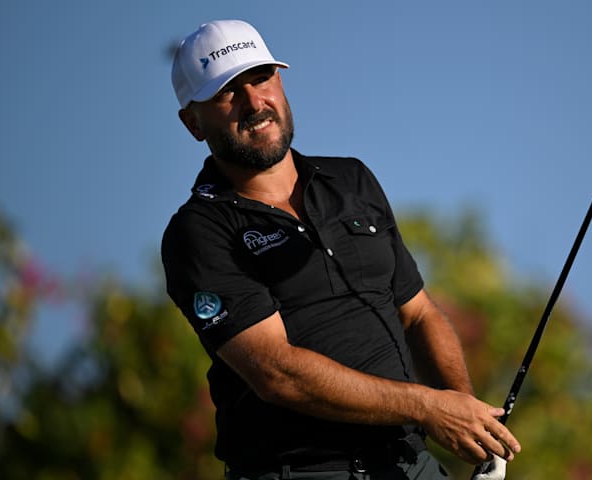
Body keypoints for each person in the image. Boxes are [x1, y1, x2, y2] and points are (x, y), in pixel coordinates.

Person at [161, 19, 520, 480]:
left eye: (261, 77)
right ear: (192, 121)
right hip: (301, 470)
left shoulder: (351, 179)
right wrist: (431, 406)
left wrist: (468, 417)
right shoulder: (198, 232)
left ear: (280, 81)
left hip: (408, 464)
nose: (255, 102)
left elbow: (418, 314)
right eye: (227, 92)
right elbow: (277, 372)